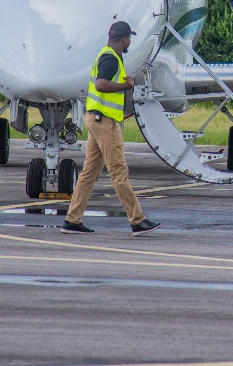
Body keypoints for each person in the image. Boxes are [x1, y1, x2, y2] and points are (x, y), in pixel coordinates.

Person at [62, 21, 160, 236]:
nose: (130, 42)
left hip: (96, 118)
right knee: (118, 172)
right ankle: (137, 220)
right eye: (129, 38)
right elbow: (101, 84)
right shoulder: (111, 58)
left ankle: (72, 219)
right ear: (124, 39)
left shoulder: (107, 54)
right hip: (104, 123)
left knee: (89, 173)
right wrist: (127, 85)